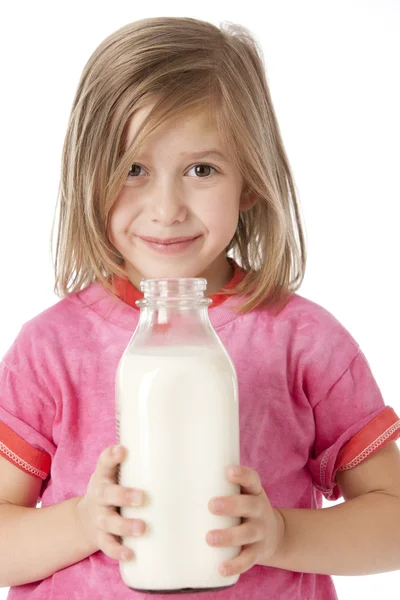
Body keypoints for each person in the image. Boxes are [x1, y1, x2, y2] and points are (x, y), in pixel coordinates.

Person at [0, 16, 399, 600]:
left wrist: (279, 534)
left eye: (201, 169)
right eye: (133, 169)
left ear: (250, 181)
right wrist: (82, 523)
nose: (166, 208)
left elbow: (392, 523)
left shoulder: (303, 340)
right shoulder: (53, 348)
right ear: (89, 177)